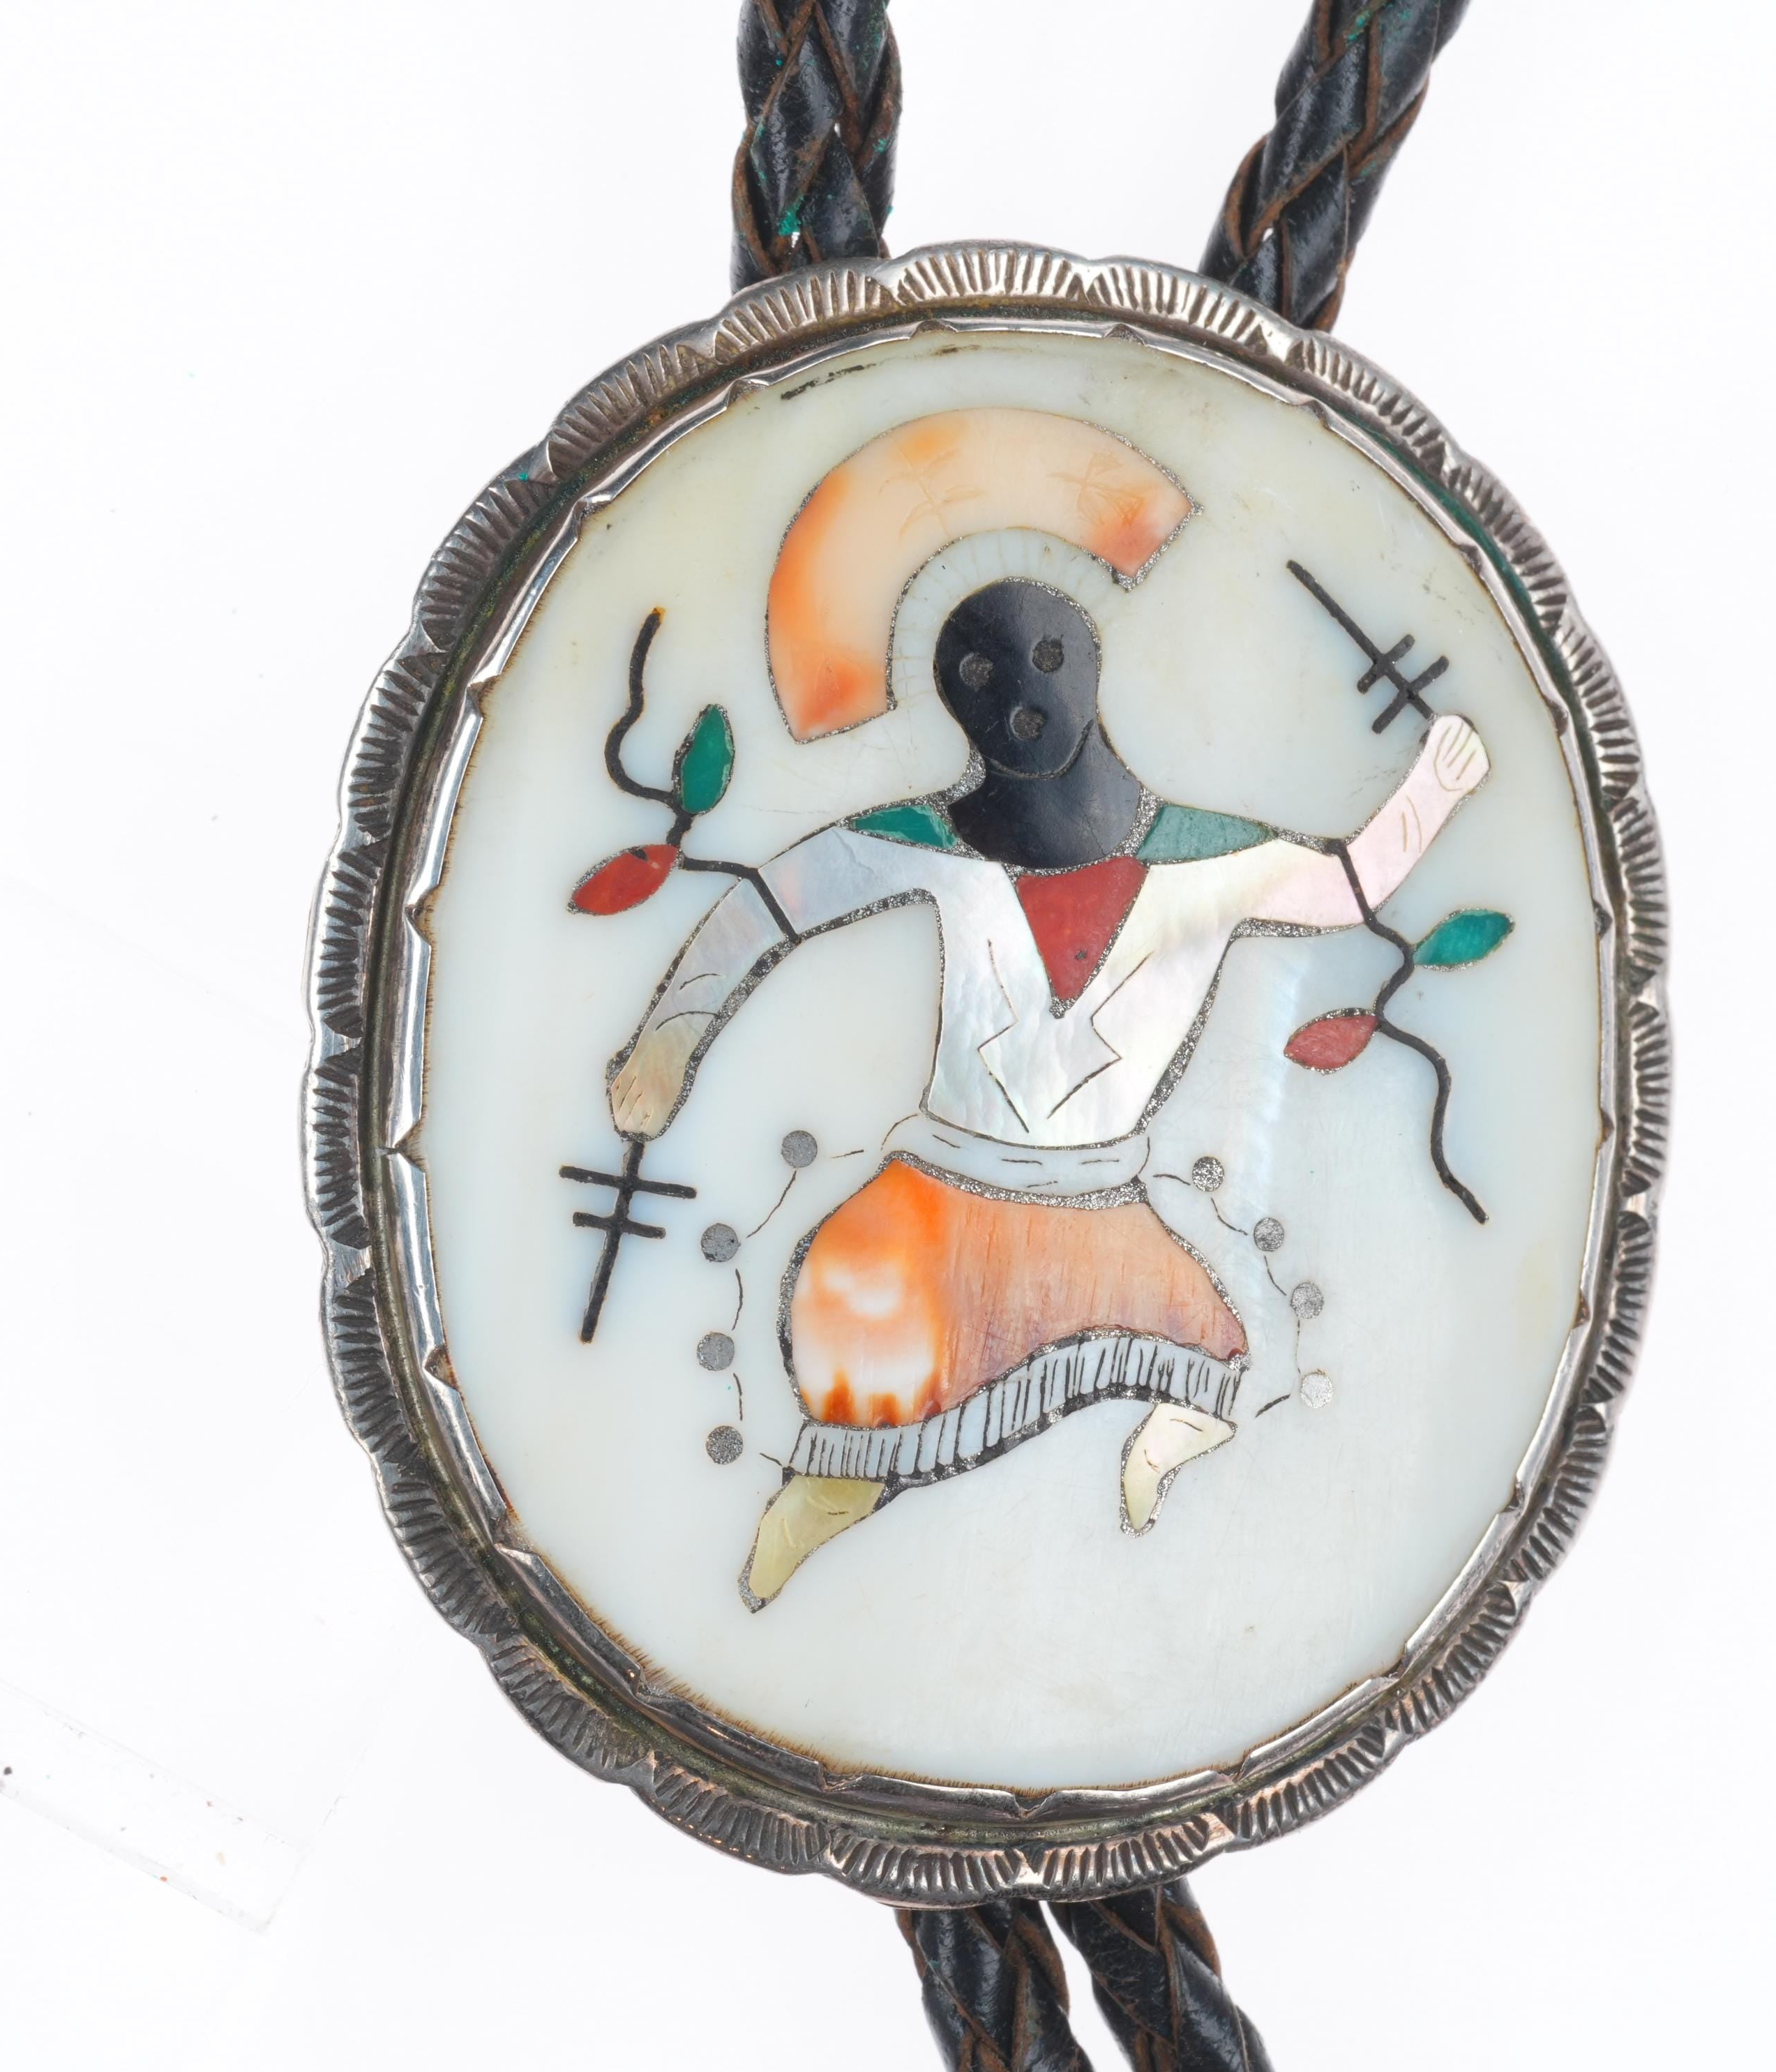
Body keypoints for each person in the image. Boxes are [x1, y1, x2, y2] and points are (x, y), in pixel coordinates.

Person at [610, 572, 1489, 1607]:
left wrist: (1433, 792)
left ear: (1092, 668)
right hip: (935, 1207)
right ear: (955, 705)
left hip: (1102, 1213)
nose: (1024, 704)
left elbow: (1348, 888)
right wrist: (667, 1040)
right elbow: (765, 907)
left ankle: (1154, 1463)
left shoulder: (1213, 860)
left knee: (1216, 1357)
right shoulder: (925, 844)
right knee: (861, 1379)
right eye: (983, 679)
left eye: (1048, 661)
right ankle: (811, 1517)